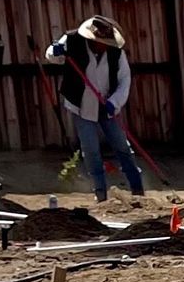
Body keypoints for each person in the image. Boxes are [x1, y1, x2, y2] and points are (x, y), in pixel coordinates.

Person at [44, 14, 145, 204]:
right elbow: (51, 56)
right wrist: (55, 51)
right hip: (81, 105)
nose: (103, 45)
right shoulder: (73, 40)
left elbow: (125, 81)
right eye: (100, 42)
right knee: (91, 150)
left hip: (107, 106)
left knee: (123, 147)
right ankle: (101, 195)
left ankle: (138, 190)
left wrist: (114, 103)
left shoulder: (117, 53)